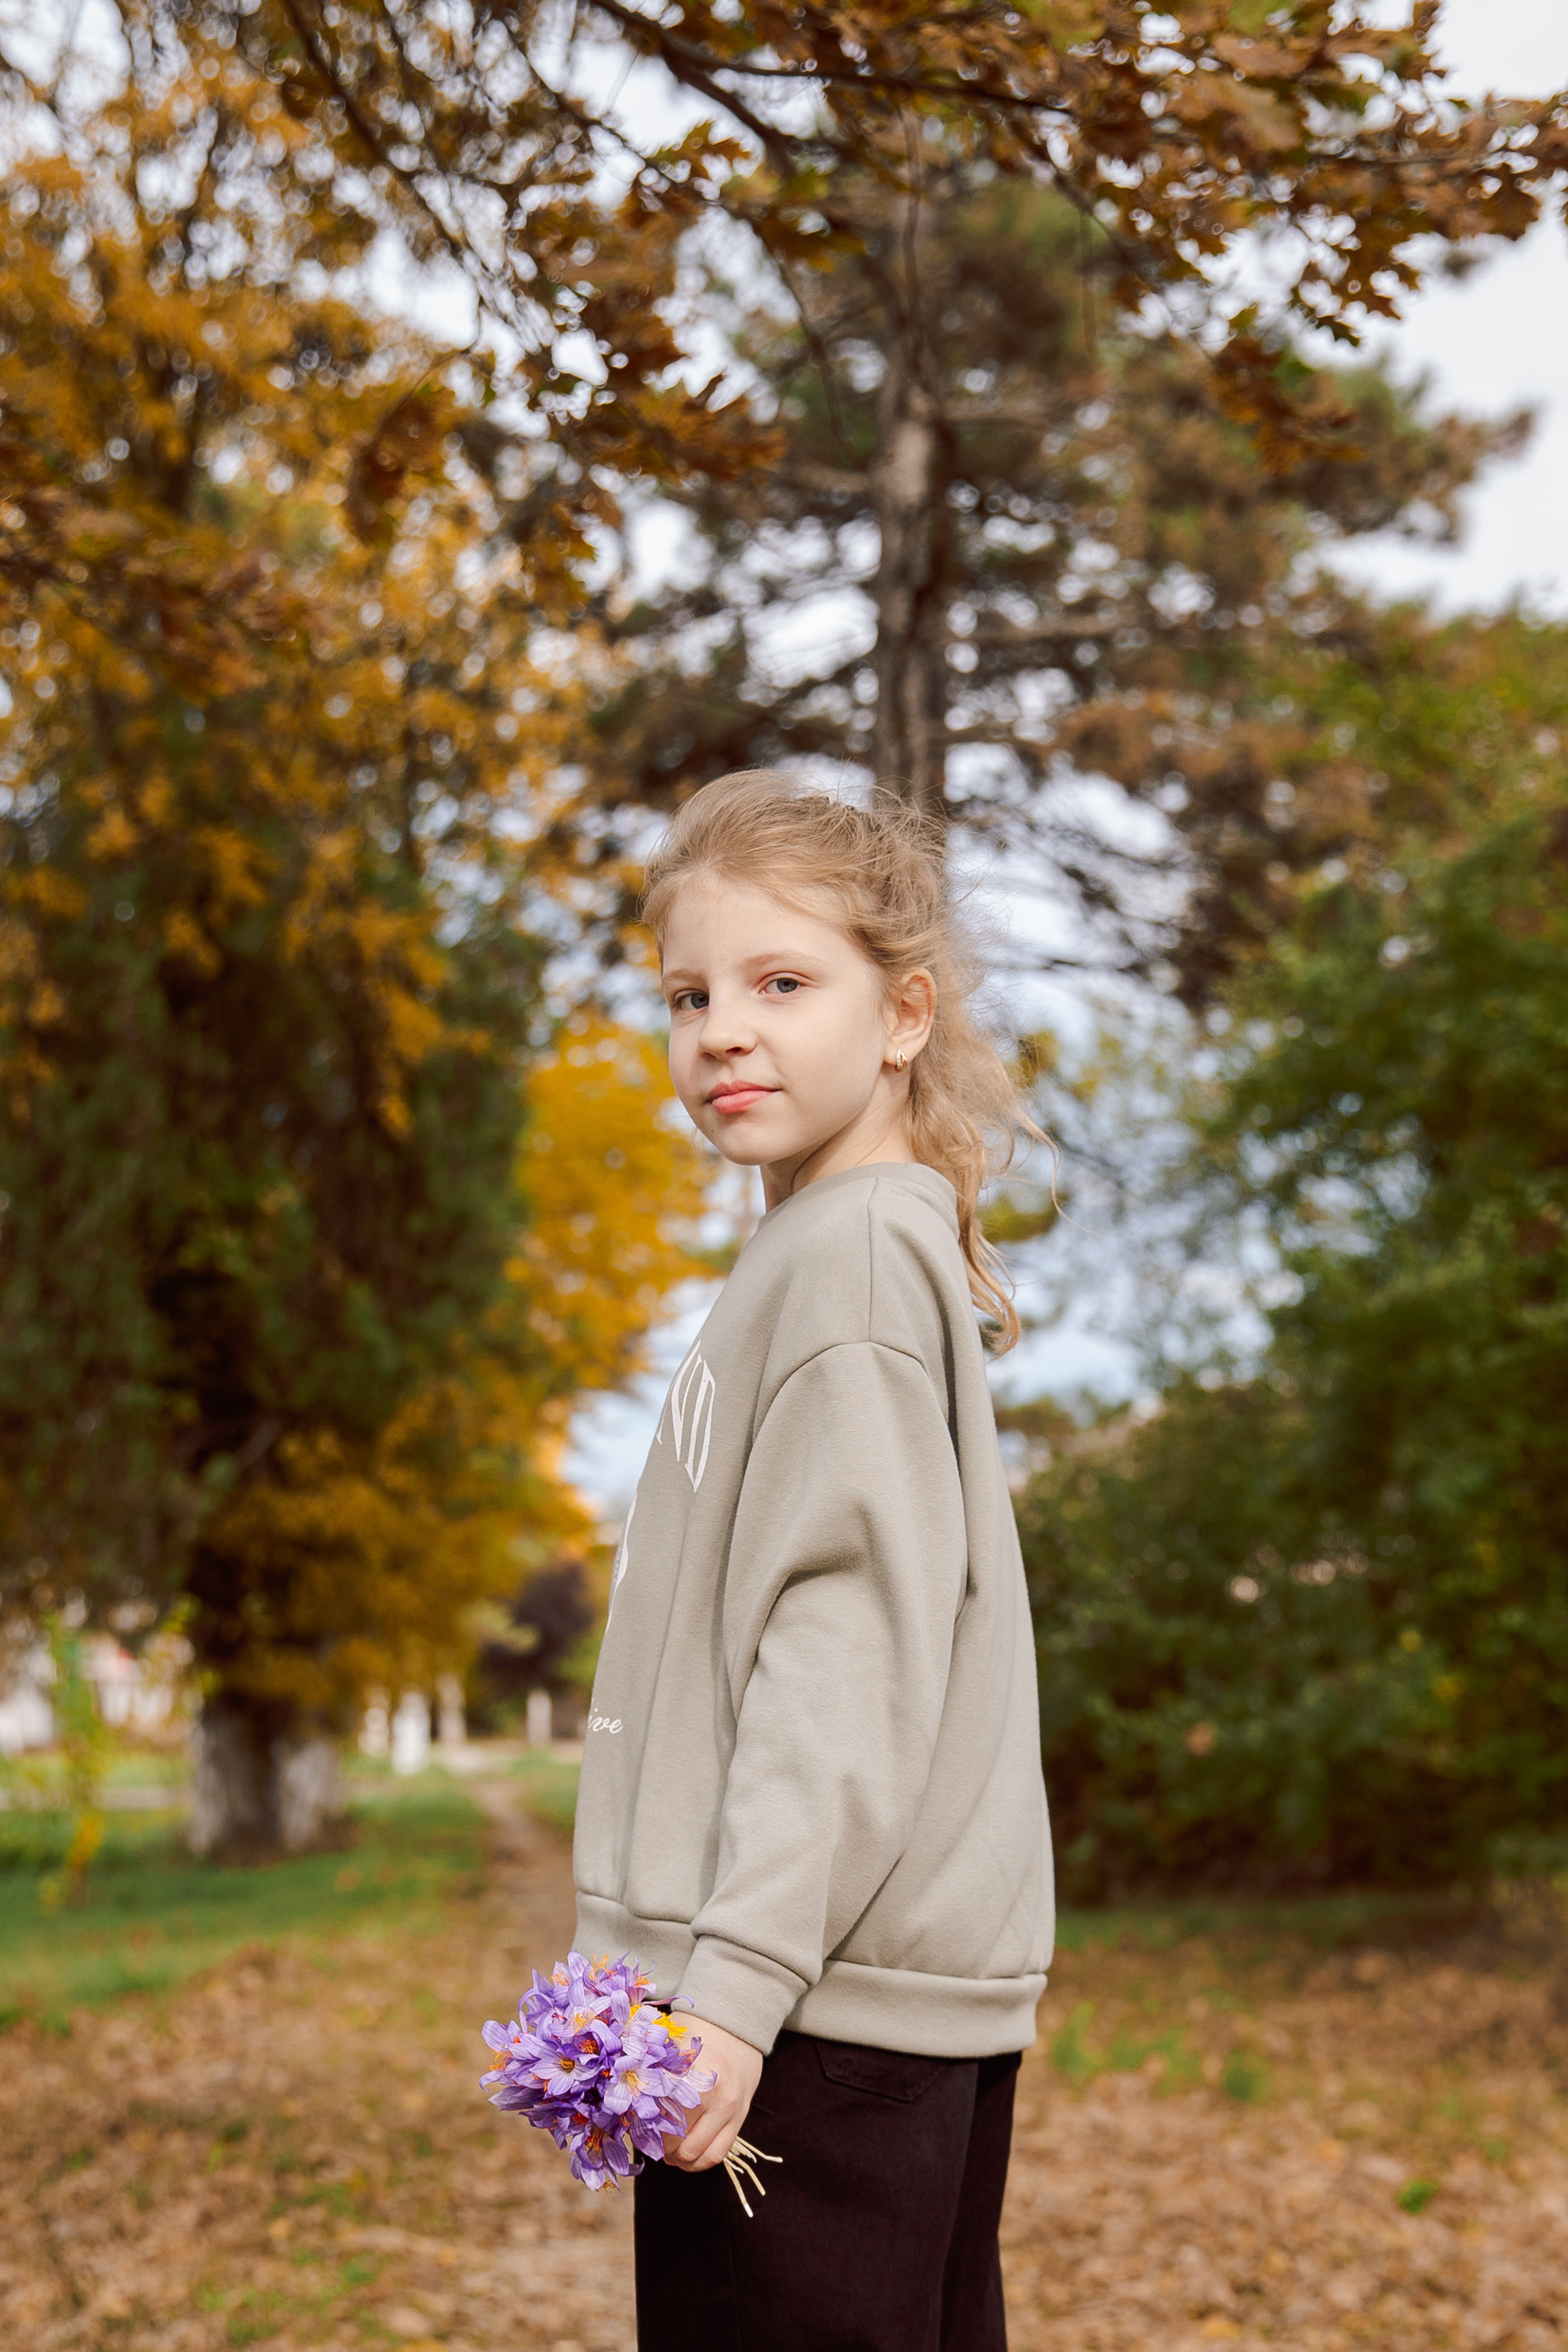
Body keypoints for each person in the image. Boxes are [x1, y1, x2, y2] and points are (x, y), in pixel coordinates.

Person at [572, 771, 1054, 2351]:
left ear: (903, 1012)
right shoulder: (832, 1246)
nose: (723, 1028)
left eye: (784, 984)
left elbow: (842, 1658)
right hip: (859, 2011)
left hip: (814, 2013)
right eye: (690, 993)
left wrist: (729, 1987)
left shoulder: (845, 1260)